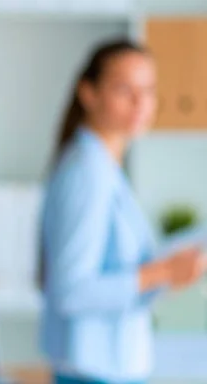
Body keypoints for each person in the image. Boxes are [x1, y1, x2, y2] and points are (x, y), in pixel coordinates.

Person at [39, 39, 206, 384]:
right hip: (94, 371)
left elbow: (119, 276)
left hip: (111, 367)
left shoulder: (106, 167)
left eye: (148, 90)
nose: (140, 102)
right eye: (124, 89)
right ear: (89, 93)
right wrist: (162, 272)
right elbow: (72, 290)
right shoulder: (87, 171)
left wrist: (172, 272)